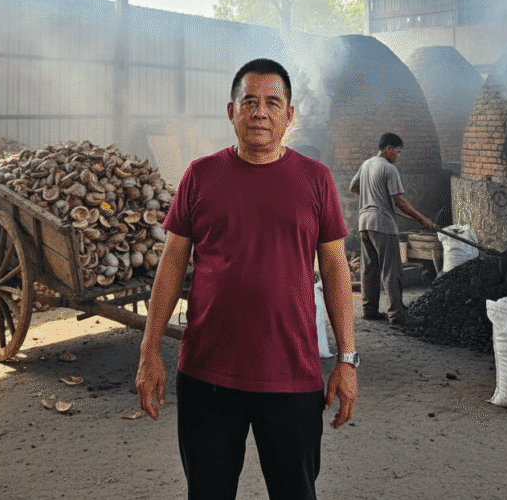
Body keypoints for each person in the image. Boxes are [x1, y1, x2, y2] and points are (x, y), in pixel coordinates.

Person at [136, 58, 357, 500]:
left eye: (272, 103)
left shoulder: (315, 179)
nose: (260, 113)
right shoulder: (200, 175)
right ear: (231, 111)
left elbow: (335, 268)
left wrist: (347, 360)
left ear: (289, 115)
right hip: (208, 375)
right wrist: (149, 351)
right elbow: (172, 263)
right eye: (249, 101)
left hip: (292, 375)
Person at [350, 132, 436, 325]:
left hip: (364, 223)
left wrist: (372, 199)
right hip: (382, 224)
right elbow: (399, 201)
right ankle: (397, 314)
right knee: (391, 270)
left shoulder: (367, 164)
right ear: (388, 148)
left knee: (370, 269)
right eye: (397, 152)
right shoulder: (389, 169)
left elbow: (353, 187)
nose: (398, 156)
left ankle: (369, 310)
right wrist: (423, 219)